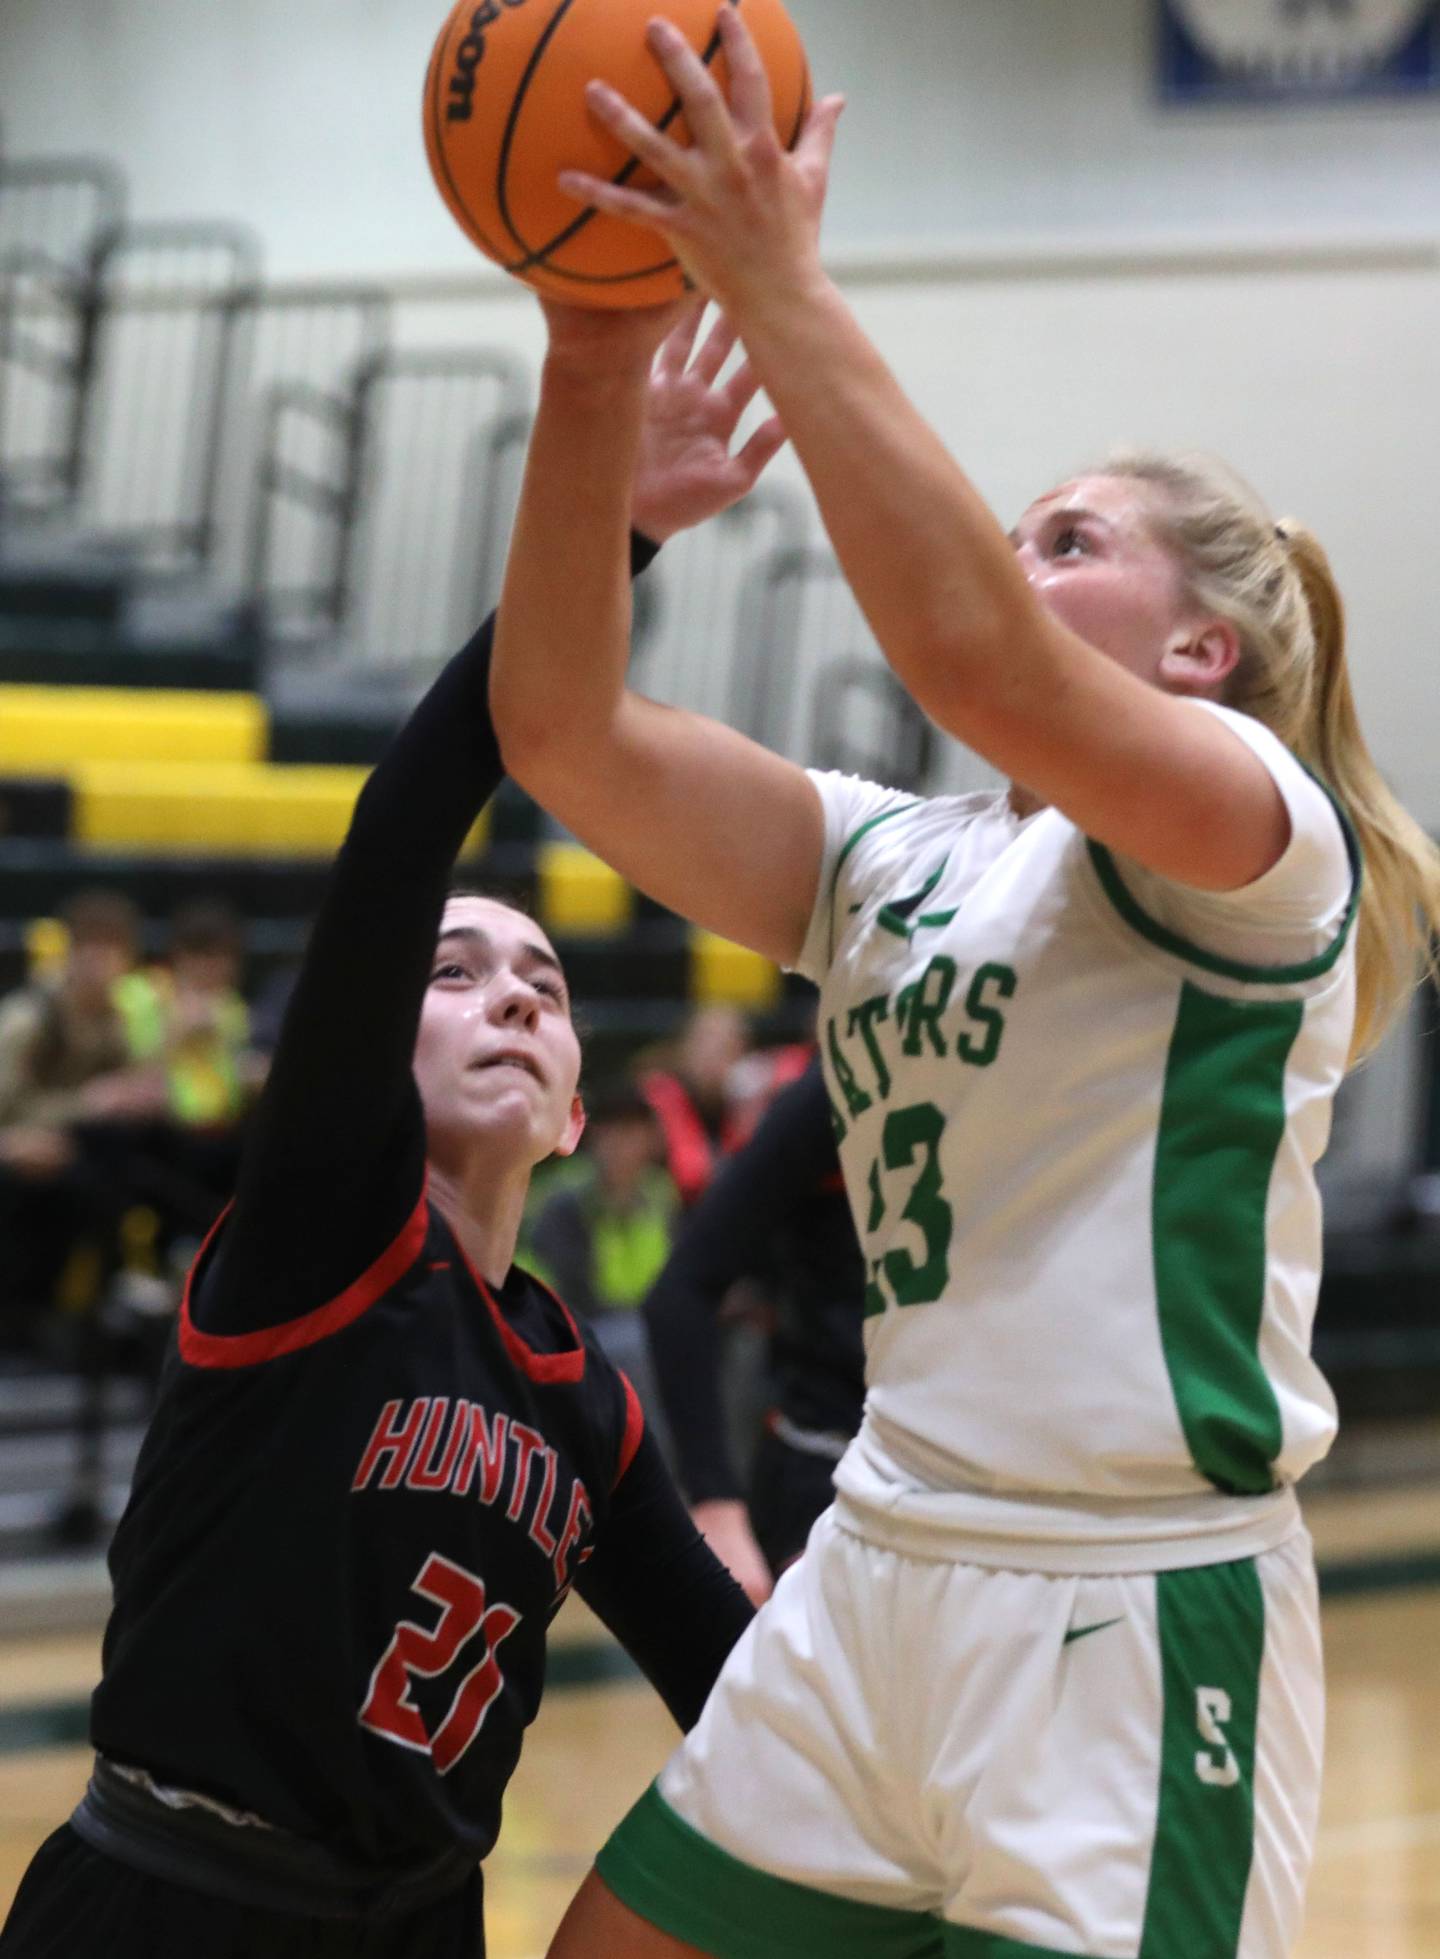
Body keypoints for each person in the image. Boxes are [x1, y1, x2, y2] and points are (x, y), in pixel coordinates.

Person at [485, 13, 1440, 1957]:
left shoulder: (1257, 837)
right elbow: (563, 729)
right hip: (879, 1571)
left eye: (1069, 541)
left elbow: (976, 654)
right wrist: (591, 367)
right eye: (1021, 531)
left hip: (1123, 1610)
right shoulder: (894, 855)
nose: (1017, 557)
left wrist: (778, 281)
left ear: (1199, 654)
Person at [0, 309, 783, 1959]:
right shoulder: (326, 1228)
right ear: (361, 1040)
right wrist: (611, 526)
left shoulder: (590, 1405)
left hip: (424, 1920)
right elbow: (410, 810)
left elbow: (740, 1690)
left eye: (546, 983)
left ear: (575, 1107)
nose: (509, 993)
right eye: (453, 967)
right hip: (171, 1905)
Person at [643, 1053, 865, 1606]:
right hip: (825, 1468)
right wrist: (714, 1501)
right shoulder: (840, 1083)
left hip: (978, 1480)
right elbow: (680, 1292)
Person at [527, 1076, 679, 1449]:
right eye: (612, 1131)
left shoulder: (661, 1193)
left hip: (643, 1322)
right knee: (636, 1343)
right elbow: (573, 1292)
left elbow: (678, 1273)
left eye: (633, 1131)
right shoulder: (566, 1198)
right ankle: (655, 1464)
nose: (621, 1144)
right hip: (570, 1325)